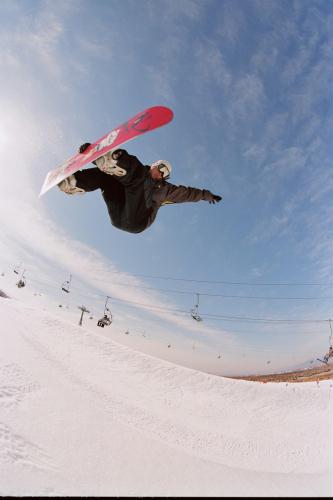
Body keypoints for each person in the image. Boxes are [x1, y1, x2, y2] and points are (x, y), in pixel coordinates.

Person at [58, 144, 222, 234]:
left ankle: (116, 162)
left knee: (140, 179)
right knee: (109, 178)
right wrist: (93, 154)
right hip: (119, 214)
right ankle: (75, 183)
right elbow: (138, 176)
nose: (160, 173)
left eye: (164, 173)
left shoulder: (166, 189)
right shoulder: (142, 172)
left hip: (137, 221)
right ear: (154, 165)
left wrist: (208, 195)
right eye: (160, 168)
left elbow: (189, 194)